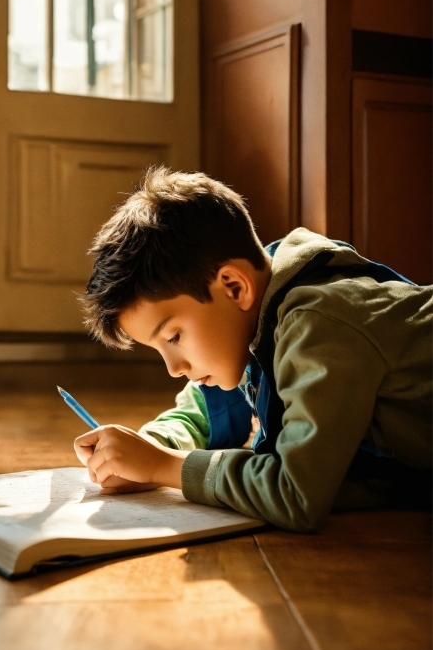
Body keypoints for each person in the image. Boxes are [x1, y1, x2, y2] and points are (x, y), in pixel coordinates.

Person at [74, 167, 432, 532]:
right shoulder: (255, 319)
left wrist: (162, 466)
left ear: (233, 287)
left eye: (174, 337)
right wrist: (149, 445)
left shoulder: (318, 325)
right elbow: (207, 412)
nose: (174, 368)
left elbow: (294, 495)